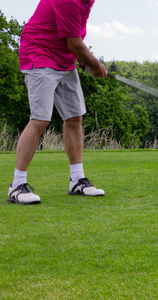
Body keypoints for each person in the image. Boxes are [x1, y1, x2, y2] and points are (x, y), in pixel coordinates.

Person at [7, 0, 107, 205]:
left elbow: (74, 36)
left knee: (74, 117)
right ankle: (17, 185)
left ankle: (77, 180)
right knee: (40, 119)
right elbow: (74, 43)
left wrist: (83, 60)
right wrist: (95, 65)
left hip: (63, 58)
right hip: (39, 54)